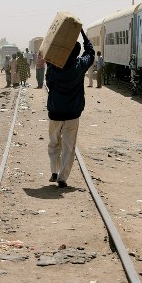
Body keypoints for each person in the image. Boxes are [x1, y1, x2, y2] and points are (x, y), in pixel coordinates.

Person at [46, 29, 95, 188]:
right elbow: (91, 53)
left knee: (54, 143)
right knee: (69, 147)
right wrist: (82, 33)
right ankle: (62, 178)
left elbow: (48, 82)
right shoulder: (80, 65)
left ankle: (54, 170)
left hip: (55, 112)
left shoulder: (54, 67)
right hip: (73, 114)